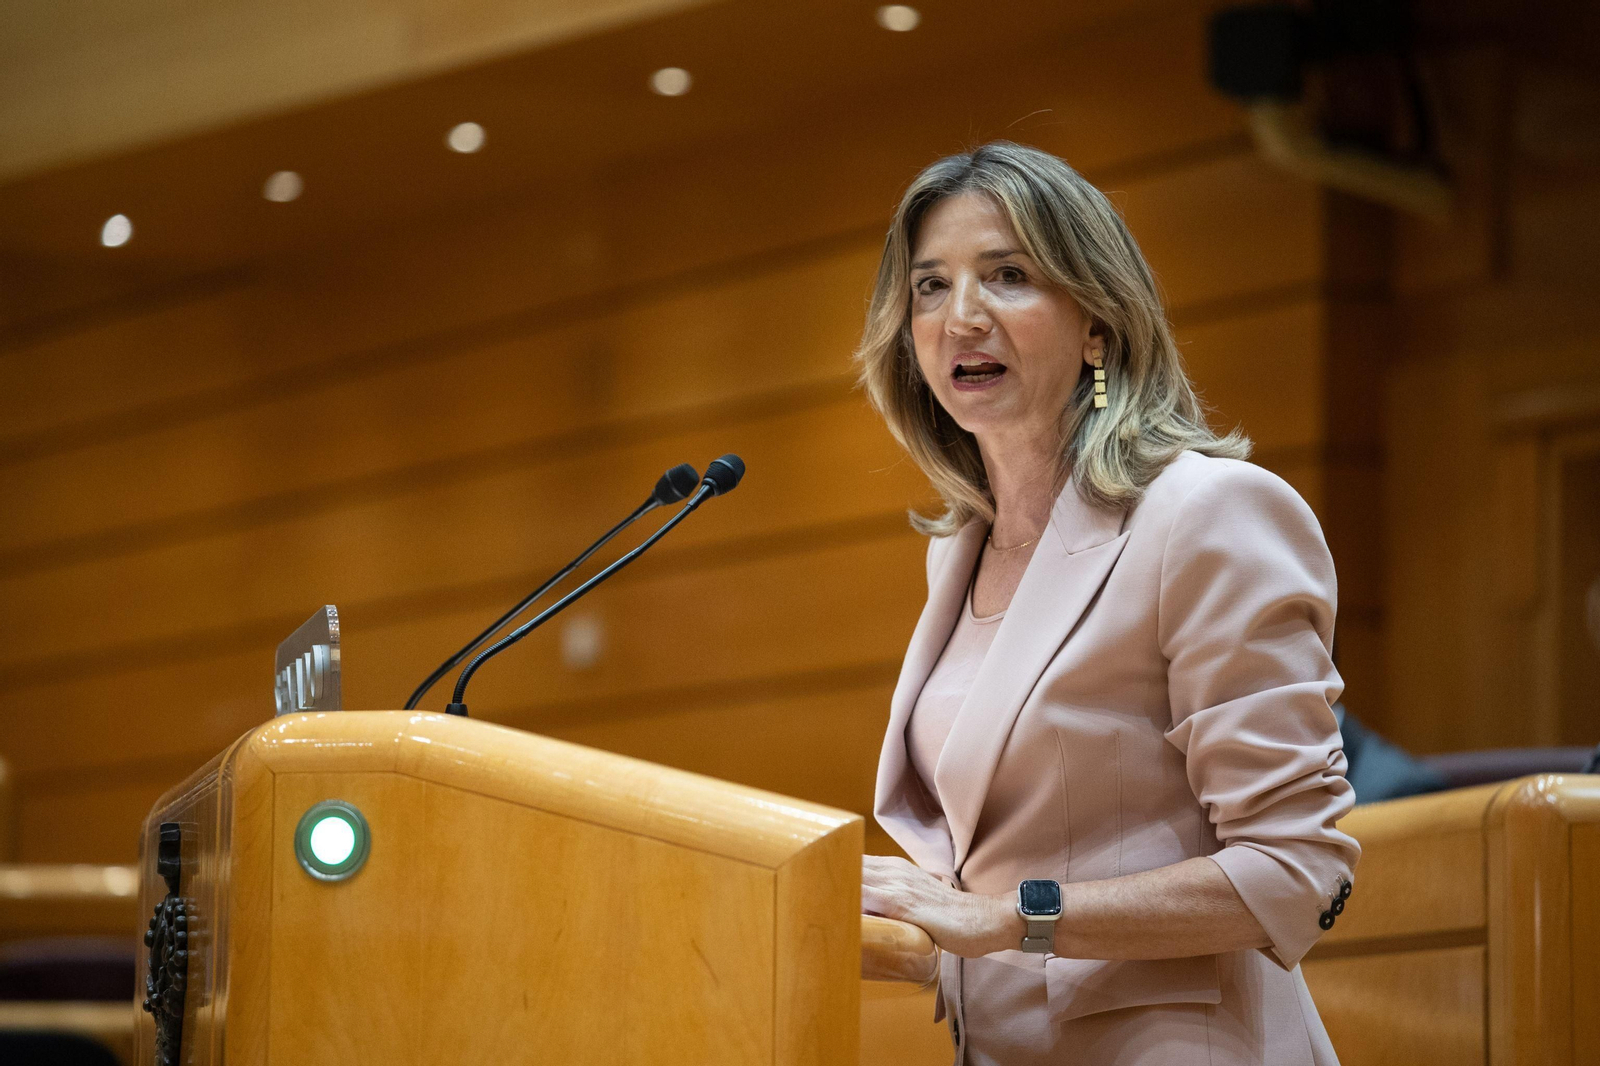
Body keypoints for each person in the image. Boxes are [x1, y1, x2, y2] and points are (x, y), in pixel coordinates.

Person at [854, 141, 1360, 1065]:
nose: (962, 316)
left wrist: (1011, 920)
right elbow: (989, 862)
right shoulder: (955, 554)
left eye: (1007, 275)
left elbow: (1296, 872)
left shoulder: (1203, 514)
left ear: (1098, 322)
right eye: (931, 286)